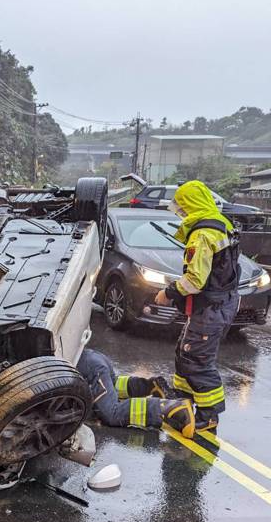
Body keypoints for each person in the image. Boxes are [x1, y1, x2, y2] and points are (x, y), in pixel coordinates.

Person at [154, 180, 239, 431]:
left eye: (182, 207)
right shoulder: (221, 223)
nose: (181, 212)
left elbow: (194, 280)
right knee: (186, 353)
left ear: (190, 204)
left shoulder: (202, 234)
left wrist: (167, 293)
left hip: (210, 308)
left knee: (197, 359)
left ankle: (209, 415)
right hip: (218, 303)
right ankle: (182, 402)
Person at [76, 348, 195, 437]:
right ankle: (149, 386)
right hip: (90, 356)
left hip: (89, 367)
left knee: (111, 414)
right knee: (112, 386)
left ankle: (170, 408)